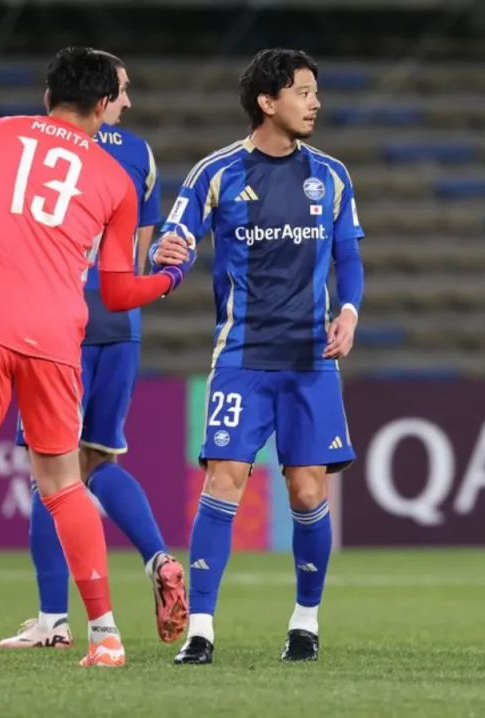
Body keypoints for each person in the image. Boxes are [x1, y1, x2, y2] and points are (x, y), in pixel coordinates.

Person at [0, 46, 192, 670]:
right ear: (100, 107)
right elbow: (119, 290)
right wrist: (172, 279)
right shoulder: (117, 177)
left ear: (47, 96)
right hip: (60, 340)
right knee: (64, 486)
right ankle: (107, 635)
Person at [151, 48, 365, 665]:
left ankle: (305, 621)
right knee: (225, 480)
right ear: (268, 102)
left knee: (305, 491)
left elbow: (347, 257)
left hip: (310, 360)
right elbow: (181, 234)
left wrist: (347, 313)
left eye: (315, 92)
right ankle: (201, 629)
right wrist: (173, 250)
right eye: (303, 92)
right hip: (242, 356)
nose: (315, 102)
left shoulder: (332, 175)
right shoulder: (216, 171)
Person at [0, 51, 188, 652]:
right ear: (103, 94)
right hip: (121, 322)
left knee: (49, 474)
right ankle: (158, 556)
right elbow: (136, 254)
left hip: (59, 321)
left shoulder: (29, 145)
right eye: (124, 88)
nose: (128, 101)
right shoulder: (139, 155)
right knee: (97, 464)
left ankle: (53, 620)